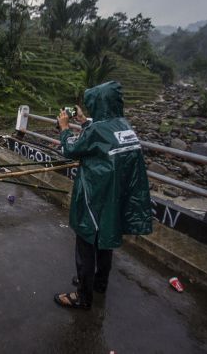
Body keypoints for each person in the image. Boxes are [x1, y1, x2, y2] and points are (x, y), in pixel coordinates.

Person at [54, 81, 153, 310]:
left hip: (95, 198)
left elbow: (71, 149)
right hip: (114, 198)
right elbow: (103, 136)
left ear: (99, 103)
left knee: (86, 243)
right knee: (104, 242)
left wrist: (65, 128)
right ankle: (99, 284)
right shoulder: (124, 126)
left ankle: (82, 296)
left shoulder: (97, 130)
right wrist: (84, 121)